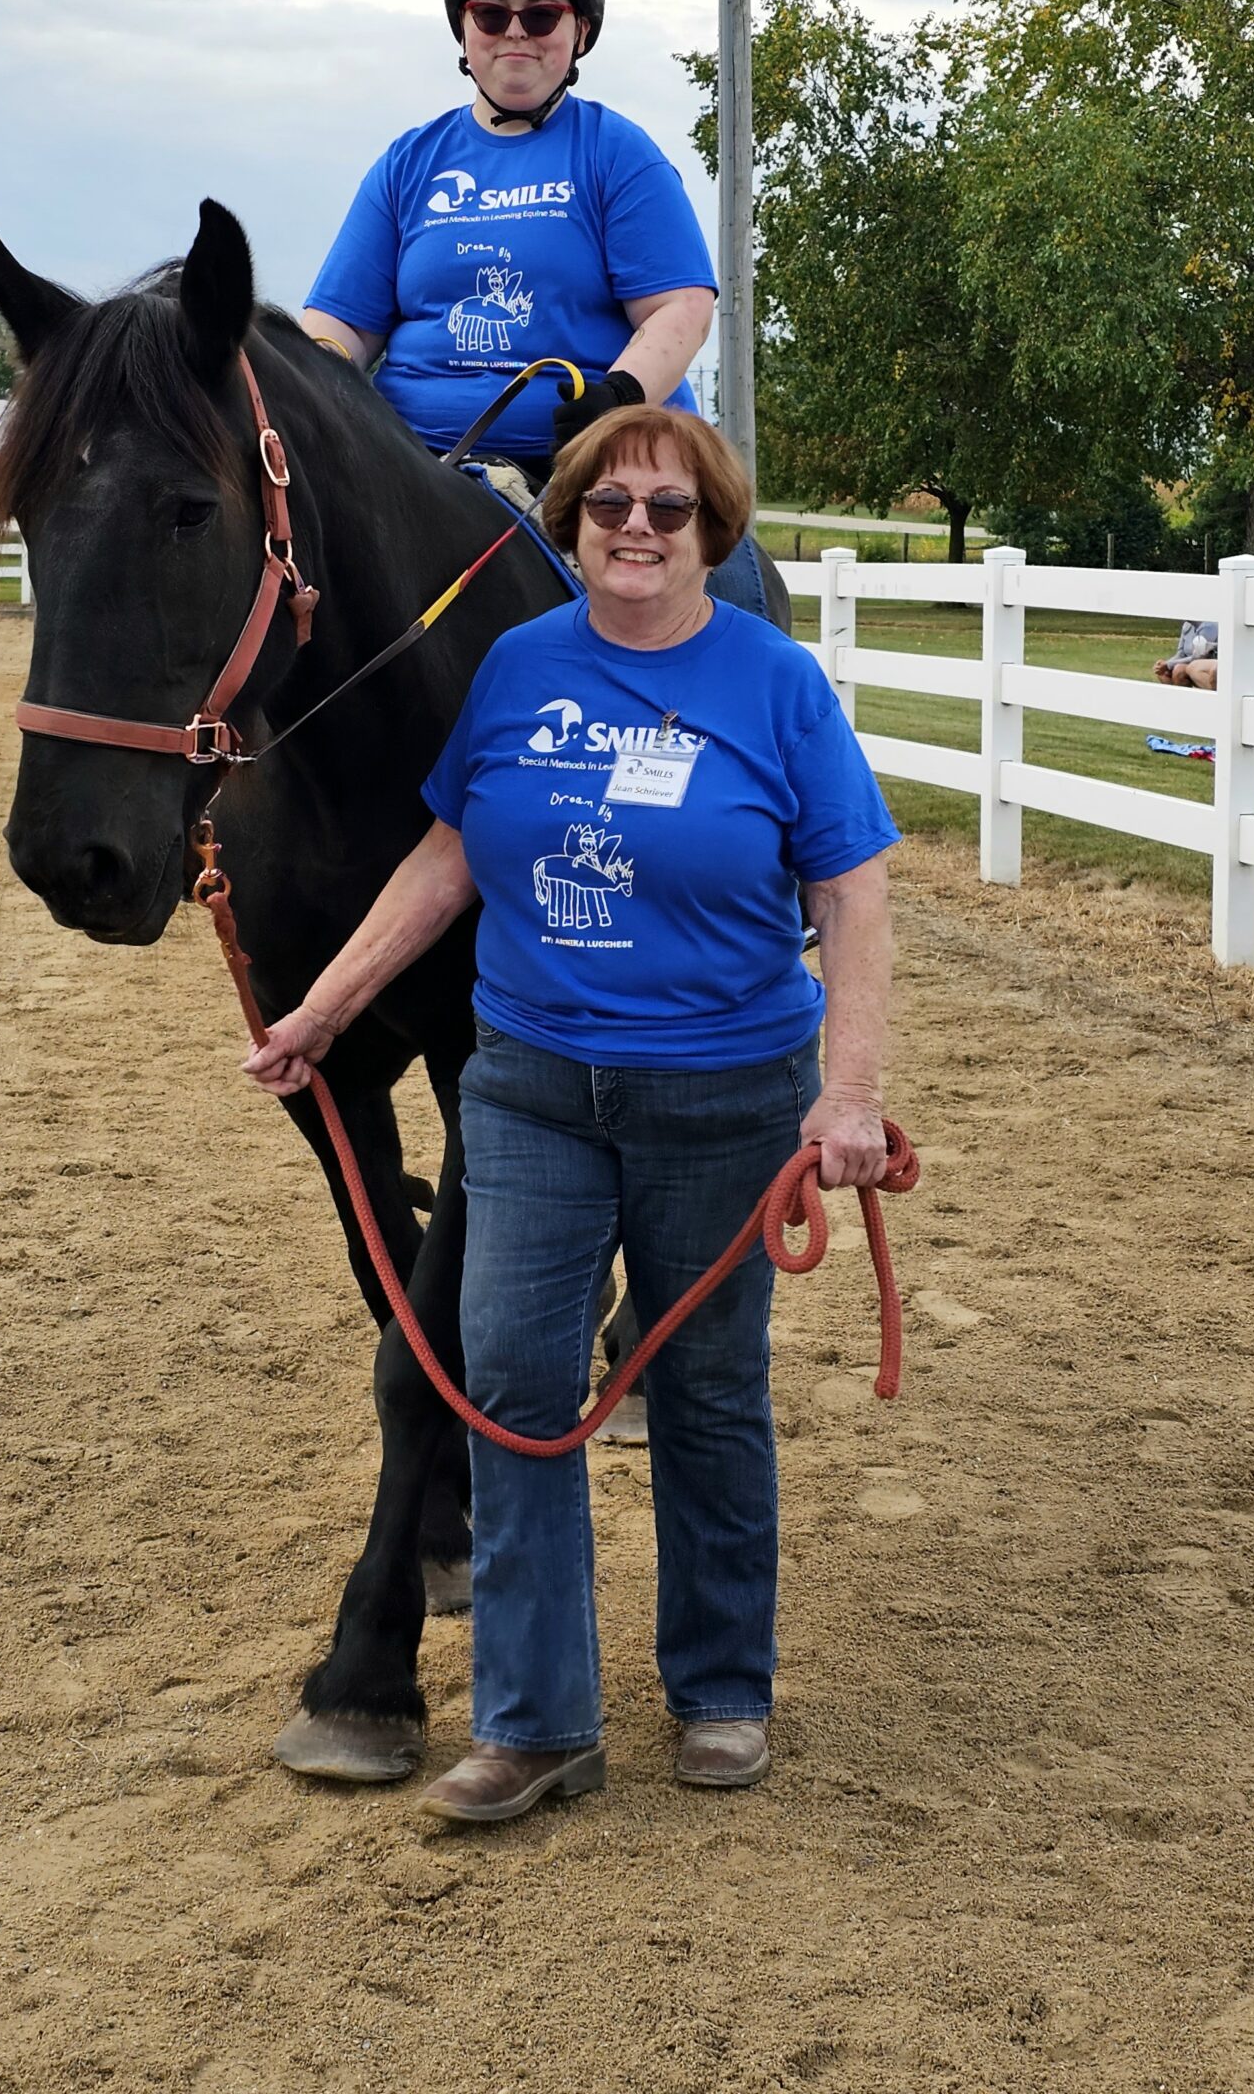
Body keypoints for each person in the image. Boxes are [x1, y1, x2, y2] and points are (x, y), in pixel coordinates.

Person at [244, 406, 899, 1824]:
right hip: (535, 1086)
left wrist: (849, 1095)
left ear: (711, 528)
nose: (637, 532)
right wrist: (327, 1010)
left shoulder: (776, 684)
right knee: (511, 1389)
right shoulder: (521, 666)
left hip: (727, 1092)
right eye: (609, 507)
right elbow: (451, 851)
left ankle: (721, 1690)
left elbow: (851, 896)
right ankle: (535, 1723)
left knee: (710, 1396)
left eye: (669, 511)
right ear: (572, 520)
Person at [299, 0, 722, 483]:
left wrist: (618, 399)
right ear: (465, 30)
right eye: (492, 15)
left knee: (659, 562)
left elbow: (682, 309)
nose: (516, 31)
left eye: (542, 15)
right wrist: (310, 383)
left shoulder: (618, 154)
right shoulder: (407, 163)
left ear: (582, 32)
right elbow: (342, 324)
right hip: (414, 467)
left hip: (585, 462)